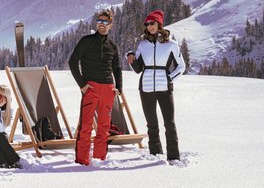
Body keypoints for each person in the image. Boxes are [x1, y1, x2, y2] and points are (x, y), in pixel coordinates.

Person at [126, 10, 185, 162]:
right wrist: (132, 59)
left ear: (159, 24)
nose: (150, 26)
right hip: (145, 88)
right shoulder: (142, 45)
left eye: (152, 23)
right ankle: (156, 155)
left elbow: (181, 66)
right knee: (152, 125)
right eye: (147, 24)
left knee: (169, 123)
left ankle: (173, 157)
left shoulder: (171, 45)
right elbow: (138, 69)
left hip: (165, 89)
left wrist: (169, 78)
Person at [68, 9, 123, 165]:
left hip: (108, 88)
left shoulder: (112, 46)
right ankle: (82, 160)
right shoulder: (86, 40)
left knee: (104, 127)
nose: (102, 25)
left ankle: (100, 158)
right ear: (96, 23)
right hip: (90, 87)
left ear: (110, 25)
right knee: (85, 126)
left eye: (105, 22)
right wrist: (82, 85)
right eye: (99, 21)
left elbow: (117, 67)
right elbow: (73, 62)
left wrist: (119, 87)